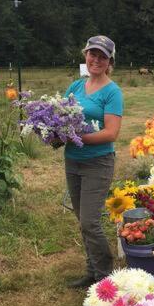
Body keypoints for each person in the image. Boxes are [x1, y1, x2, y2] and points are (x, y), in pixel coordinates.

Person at [64, 35, 123, 288]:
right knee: (82, 220)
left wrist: (78, 137)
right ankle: (92, 269)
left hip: (98, 162)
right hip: (73, 161)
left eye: (102, 56)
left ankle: (105, 277)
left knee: (90, 221)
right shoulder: (75, 87)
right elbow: (61, 117)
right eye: (92, 54)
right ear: (85, 55)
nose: (96, 60)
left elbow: (111, 133)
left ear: (109, 61)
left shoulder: (112, 92)